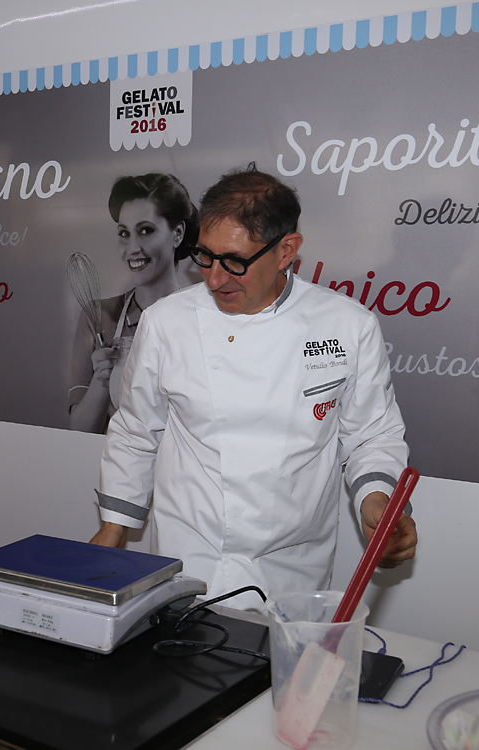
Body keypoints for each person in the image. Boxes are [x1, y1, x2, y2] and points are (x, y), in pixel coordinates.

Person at [89, 163, 416, 610]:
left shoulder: (347, 325)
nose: (215, 278)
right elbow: (136, 429)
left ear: (286, 251)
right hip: (190, 553)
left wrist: (377, 500)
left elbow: (370, 435)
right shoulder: (167, 322)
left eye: (236, 261)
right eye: (204, 256)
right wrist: (114, 527)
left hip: (291, 565)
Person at [68, 173, 198, 433]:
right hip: (115, 469)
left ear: (178, 234)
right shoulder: (100, 317)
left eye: (146, 231)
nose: (133, 247)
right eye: (124, 233)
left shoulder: (200, 318)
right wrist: (102, 381)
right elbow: (78, 432)